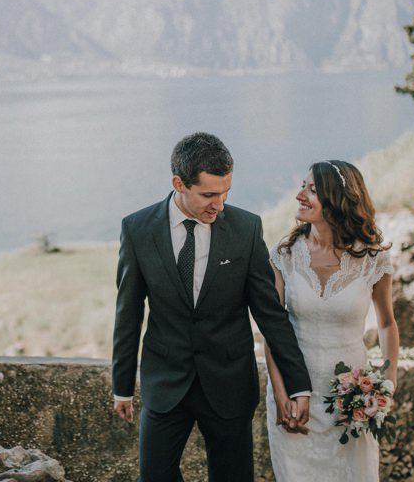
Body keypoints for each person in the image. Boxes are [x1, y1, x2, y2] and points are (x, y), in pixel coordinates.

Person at [111, 132, 311, 482]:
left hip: (229, 382)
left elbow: (269, 313)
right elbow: (128, 312)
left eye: (225, 193)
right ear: (179, 184)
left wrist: (298, 384)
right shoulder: (137, 229)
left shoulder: (246, 228)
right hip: (165, 382)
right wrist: (122, 385)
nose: (218, 205)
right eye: (208, 195)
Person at [266, 160, 399, 481]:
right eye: (302, 186)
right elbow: (274, 329)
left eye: (312, 190)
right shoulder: (284, 255)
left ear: (338, 201)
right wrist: (282, 394)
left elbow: (386, 324)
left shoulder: (373, 258)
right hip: (297, 395)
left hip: (351, 397)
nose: (300, 195)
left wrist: (387, 381)